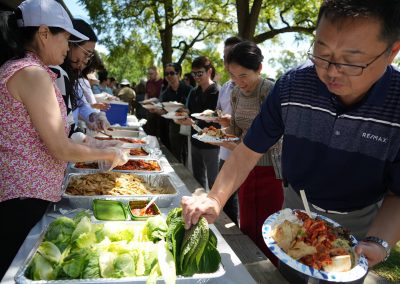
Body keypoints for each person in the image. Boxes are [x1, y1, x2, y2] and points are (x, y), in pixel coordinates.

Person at [182, 0, 400, 273]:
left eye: (352, 61)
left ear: (392, 51)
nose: (331, 71)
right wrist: (215, 198)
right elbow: (249, 149)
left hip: (359, 221)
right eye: (322, 52)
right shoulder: (293, 85)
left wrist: (379, 242)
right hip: (295, 211)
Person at [0, 0, 128, 278]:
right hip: (24, 197)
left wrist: (96, 144)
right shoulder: (32, 74)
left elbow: (52, 135)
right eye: (66, 38)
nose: (67, 46)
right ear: (44, 33)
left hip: (26, 192)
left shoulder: (28, 69)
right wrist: (108, 154)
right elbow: (59, 147)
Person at [216, 41, 284, 263]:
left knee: (269, 228)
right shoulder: (235, 93)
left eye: (243, 75)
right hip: (244, 168)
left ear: (259, 69)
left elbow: (278, 137)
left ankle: (270, 273)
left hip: (270, 170)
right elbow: (235, 130)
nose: (238, 82)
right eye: (233, 76)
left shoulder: (270, 91)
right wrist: (222, 130)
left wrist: (240, 147)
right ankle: (249, 268)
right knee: (246, 223)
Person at [51, 18, 110, 134]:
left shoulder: (71, 76)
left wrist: (94, 116)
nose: (86, 61)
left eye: (89, 57)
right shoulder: (52, 74)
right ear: (71, 43)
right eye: (86, 54)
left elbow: (80, 105)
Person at [175, 56, 220, 190]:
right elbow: (191, 112)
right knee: (197, 180)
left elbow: (217, 119)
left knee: (214, 182)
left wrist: (192, 122)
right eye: (194, 74)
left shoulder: (217, 91)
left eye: (199, 73)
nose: (196, 77)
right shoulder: (194, 91)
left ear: (209, 71)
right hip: (195, 141)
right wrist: (182, 115)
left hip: (212, 143)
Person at [216, 36, 242, 226]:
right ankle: (232, 237)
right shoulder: (225, 88)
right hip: (225, 151)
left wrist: (231, 121)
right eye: (225, 57)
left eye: (232, 56)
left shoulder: (257, 88)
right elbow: (218, 112)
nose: (228, 62)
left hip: (246, 153)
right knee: (226, 201)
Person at [158, 63, 192, 163]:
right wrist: (156, 110)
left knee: (187, 154)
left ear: (178, 74)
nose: (169, 76)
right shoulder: (165, 93)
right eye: (166, 73)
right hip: (174, 125)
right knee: (176, 154)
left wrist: (184, 110)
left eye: (172, 73)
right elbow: (164, 111)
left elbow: (193, 109)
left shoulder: (189, 89)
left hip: (188, 124)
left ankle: (187, 175)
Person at [143, 66, 163, 136]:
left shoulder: (162, 82)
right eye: (148, 74)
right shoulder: (148, 82)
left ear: (156, 73)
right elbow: (146, 94)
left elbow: (162, 98)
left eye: (151, 74)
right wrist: (145, 102)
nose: (149, 76)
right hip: (149, 109)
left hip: (159, 109)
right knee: (150, 130)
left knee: (158, 130)